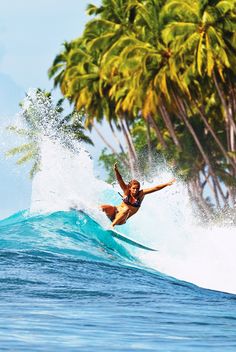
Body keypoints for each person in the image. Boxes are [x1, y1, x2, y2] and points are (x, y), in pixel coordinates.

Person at [100, 163, 176, 228]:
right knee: (103, 207)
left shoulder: (141, 194)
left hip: (121, 219)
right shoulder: (126, 190)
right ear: (130, 188)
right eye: (134, 188)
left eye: (137, 188)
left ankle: (112, 226)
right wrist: (116, 171)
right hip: (114, 212)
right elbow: (120, 180)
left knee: (126, 209)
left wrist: (166, 184)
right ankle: (91, 210)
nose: (136, 190)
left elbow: (155, 188)